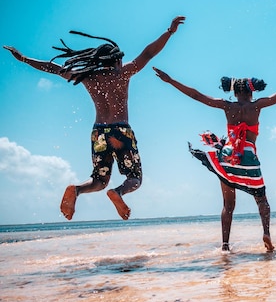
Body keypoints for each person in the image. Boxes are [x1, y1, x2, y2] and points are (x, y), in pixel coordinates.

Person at [4, 16, 186, 221]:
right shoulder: (124, 73)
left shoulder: (88, 76)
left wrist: (25, 59)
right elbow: (148, 53)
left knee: (99, 180)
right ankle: (119, 193)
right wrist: (169, 32)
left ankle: (77, 190)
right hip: (121, 130)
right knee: (134, 178)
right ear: (117, 60)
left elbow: (53, 68)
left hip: (98, 132)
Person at [153, 55, 276, 252]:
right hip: (247, 156)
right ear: (250, 91)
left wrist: (170, 80)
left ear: (235, 92)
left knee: (228, 205)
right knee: (262, 200)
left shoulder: (227, 106)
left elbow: (197, 96)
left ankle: (225, 246)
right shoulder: (256, 106)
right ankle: (266, 233)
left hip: (228, 156)